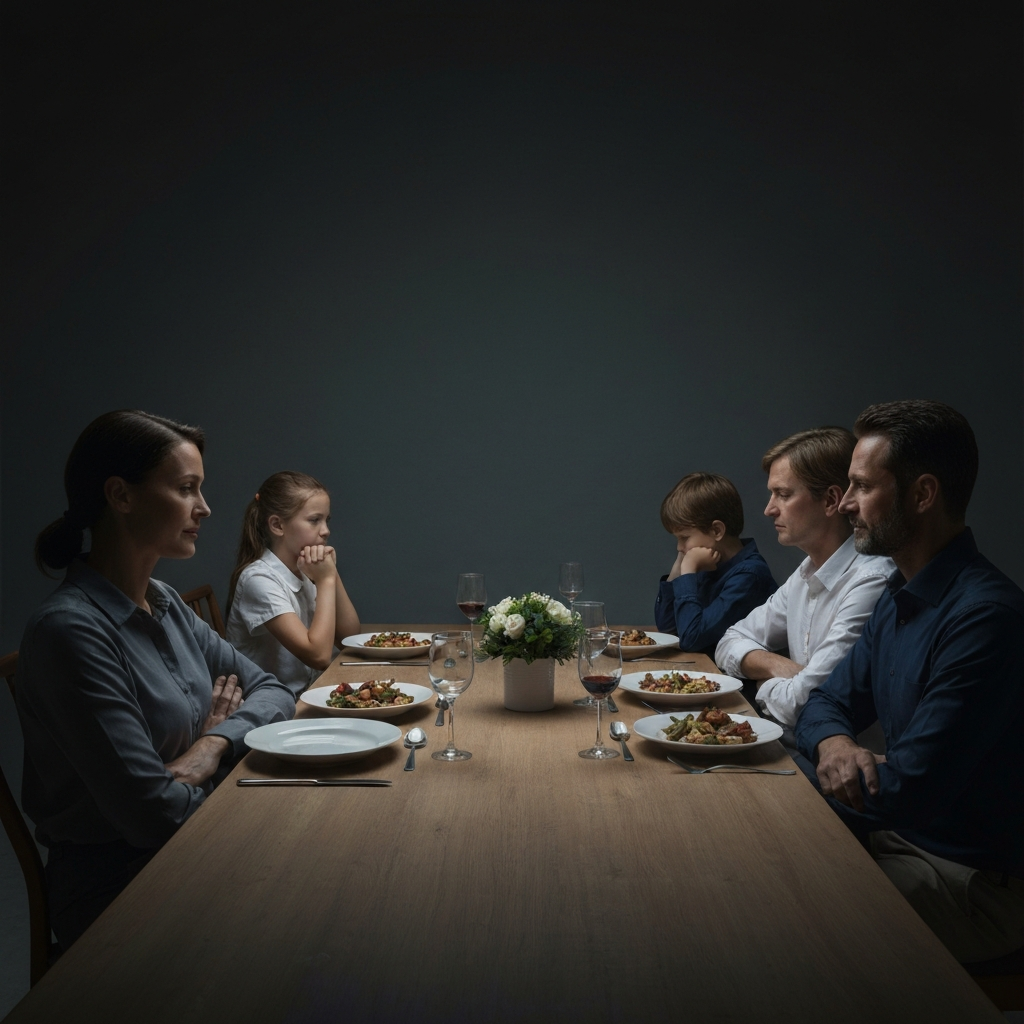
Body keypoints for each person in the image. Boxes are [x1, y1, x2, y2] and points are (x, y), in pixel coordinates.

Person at [17, 410, 296, 951]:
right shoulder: (70, 632)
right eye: (187, 488)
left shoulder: (164, 601)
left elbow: (274, 691)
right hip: (123, 885)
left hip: (199, 840)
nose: (205, 508)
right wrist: (227, 748)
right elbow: (153, 818)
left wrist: (210, 745)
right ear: (121, 495)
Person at [796, 400, 1024, 963]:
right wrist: (837, 743)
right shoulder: (899, 592)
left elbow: (910, 790)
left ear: (922, 495)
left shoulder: (986, 617)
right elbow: (824, 703)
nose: (844, 504)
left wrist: (809, 770)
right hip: (899, 839)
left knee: (781, 919)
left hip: (974, 885)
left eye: (861, 487)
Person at [715, 427, 893, 730]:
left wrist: (764, 685)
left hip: (835, 766)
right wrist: (777, 665)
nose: (769, 509)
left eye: (783, 494)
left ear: (830, 500)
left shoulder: (872, 580)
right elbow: (728, 641)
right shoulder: (805, 574)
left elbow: (805, 703)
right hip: (791, 746)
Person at [225, 472, 360, 697]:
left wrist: (331, 574)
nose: (326, 531)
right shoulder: (259, 579)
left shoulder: (307, 568)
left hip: (311, 694)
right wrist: (325, 580)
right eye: (314, 520)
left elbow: (350, 640)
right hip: (274, 709)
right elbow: (318, 656)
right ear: (278, 525)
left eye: (327, 520)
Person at [654, 472, 776, 656]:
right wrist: (678, 569)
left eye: (684, 538)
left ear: (716, 531)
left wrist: (688, 572)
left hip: (740, 682)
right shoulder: (709, 563)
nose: (679, 547)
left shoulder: (749, 576)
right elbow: (668, 628)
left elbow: (691, 639)